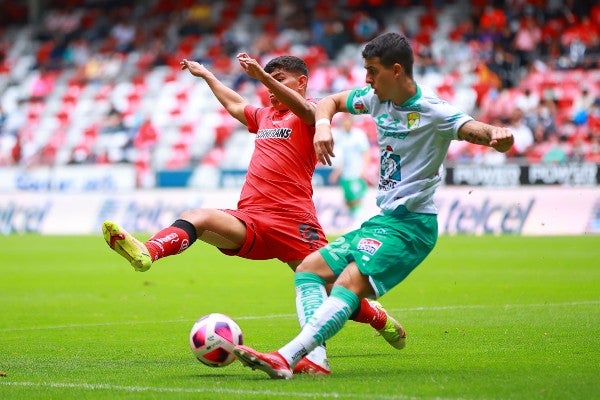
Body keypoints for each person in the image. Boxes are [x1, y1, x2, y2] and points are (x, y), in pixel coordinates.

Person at [232, 32, 514, 379]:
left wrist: (499, 135)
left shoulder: (435, 112)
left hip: (412, 227)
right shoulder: (375, 99)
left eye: (372, 71)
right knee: (309, 269)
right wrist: (322, 127)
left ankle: (285, 357)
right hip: (383, 221)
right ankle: (316, 359)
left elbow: (477, 130)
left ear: (396, 71)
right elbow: (329, 102)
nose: (366, 79)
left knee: (347, 283)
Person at [102, 53, 404, 376]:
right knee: (198, 217)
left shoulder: (314, 111)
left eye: (281, 79)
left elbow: (306, 111)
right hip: (251, 220)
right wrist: (206, 75)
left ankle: (377, 318)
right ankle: (147, 252)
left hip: (295, 224)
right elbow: (234, 104)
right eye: (270, 80)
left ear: (301, 82)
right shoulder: (265, 116)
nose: (272, 88)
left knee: (335, 290)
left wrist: (261, 75)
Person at [328, 114, 371, 221]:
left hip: (356, 173)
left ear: (351, 122)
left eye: (348, 121)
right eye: (344, 121)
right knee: (348, 200)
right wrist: (337, 172)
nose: (346, 123)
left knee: (356, 198)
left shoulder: (359, 135)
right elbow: (341, 157)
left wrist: (364, 170)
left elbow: (366, 153)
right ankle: (353, 219)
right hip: (345, 174)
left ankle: (359, 220)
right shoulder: (340, 137)